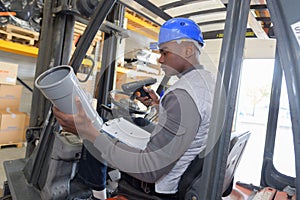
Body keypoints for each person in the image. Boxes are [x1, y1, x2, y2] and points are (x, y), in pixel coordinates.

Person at [53, 17, 215, 200]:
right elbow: (189, 123)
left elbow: (150, 170)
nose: (160, 59)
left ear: (188, 50)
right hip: (180, 166)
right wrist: (157, 105)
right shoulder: (204, 83)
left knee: (99, 133)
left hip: (158, 187)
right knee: (132, 122)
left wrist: (87, 132)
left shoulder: (183, 95)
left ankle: (97, 195)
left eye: (165, 52)